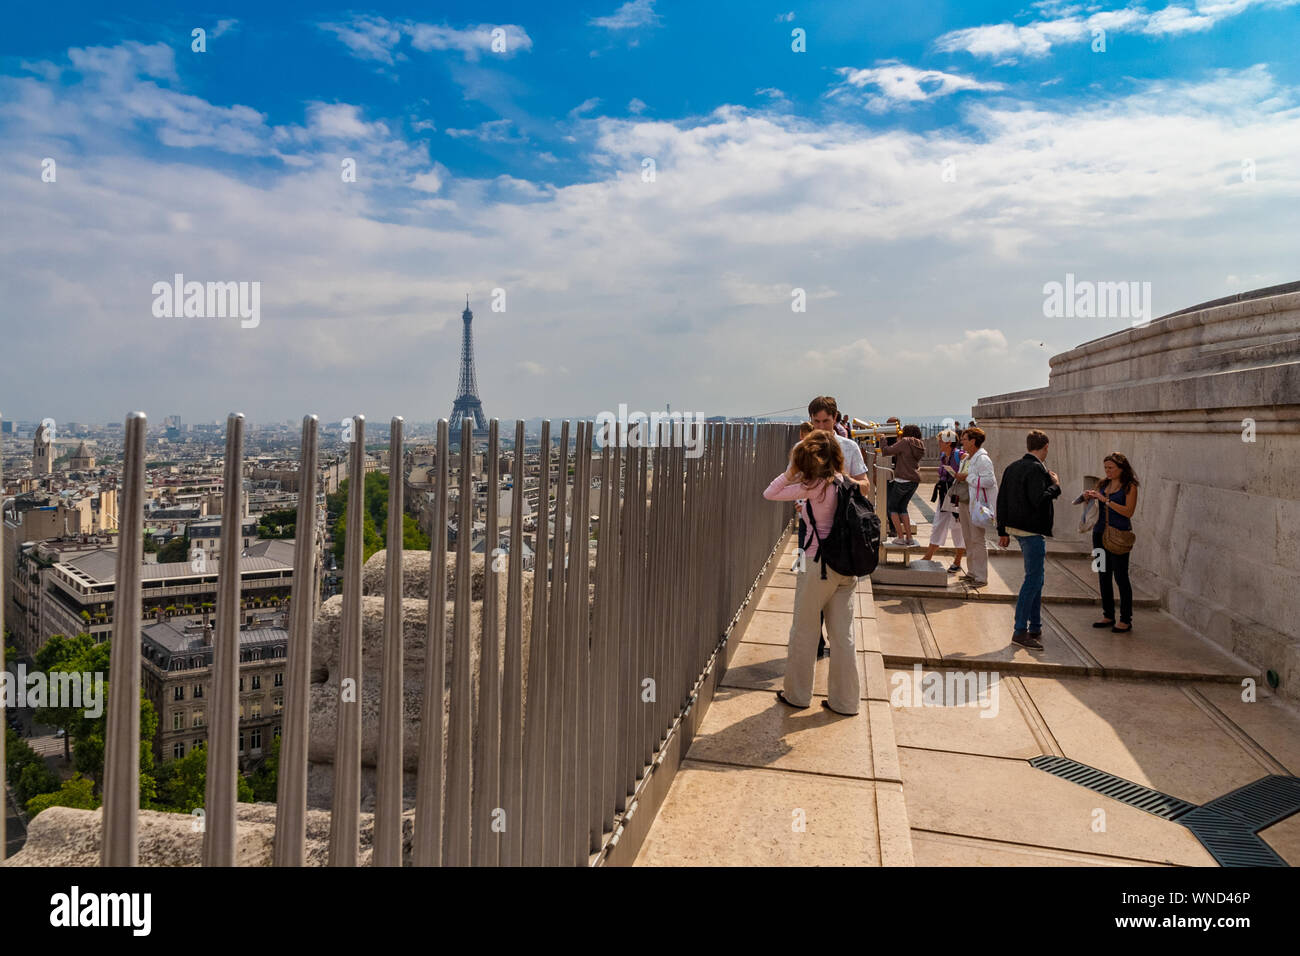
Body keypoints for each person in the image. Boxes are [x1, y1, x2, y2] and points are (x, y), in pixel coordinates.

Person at [763, 430, 860, 716]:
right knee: (843, 635)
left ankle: (797, 695)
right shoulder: (846, 482)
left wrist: (792, 471)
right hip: (847, 567)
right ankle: (846, 702)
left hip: (816, 563)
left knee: (804, 630)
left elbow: (770, 493)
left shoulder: (813, 486)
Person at [804, 397, 871, 658]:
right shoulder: (803, 448)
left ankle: (838, 644)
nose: (821, 426)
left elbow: (865, 486)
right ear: (810, 420)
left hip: (844, 529)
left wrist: (845, 480)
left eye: (826, 421)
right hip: (811, 530)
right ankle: (817, 644)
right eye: (816, 421)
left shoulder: (849, 447)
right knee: (811, 589)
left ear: (835, 419)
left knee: (838, 593)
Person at [996, 430, 1062, 649]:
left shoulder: (1012, 467)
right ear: (1045, 448)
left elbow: (1002, 499)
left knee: (1037, 579)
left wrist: (1002, 531)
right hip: (1031, 530)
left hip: (1015, 528)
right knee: (1033, 580)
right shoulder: (1036, 469)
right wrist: (1055, 485)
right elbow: (1039, 500)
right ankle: (1020, 631)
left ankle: (1035, 625)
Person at [1084, 453, 1140, 632]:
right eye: (1105, 468)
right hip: (1099, 535)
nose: (1107, 471)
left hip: (1118, 537)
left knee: (1121, 576)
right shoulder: (1102, 484)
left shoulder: (1130, 487)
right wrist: (1089, 497)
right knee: (1102, 573)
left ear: (1121, 468)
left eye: (1111, 468)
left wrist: (1106, 501)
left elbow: (1128, 512)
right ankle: (1108, 614)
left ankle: (1125, 619)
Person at [950, 427, 996, 587]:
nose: (961, 441)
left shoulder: (983, 459)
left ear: (973, 441)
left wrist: (967, 477)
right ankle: (972, 572)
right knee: (968, 538)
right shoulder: (968, 458)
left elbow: (989, 481)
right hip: (965, 502)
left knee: (977, 539)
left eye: (964, 439)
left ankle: (981, 576)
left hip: (976, 504)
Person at [922, 430, 964, 572]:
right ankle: (929, 555)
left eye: (940, 441)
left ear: (948, 442)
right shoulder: (943, 456)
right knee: (939, 523)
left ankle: (957, 561)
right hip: (945, 494)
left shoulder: (959, 455)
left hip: (956, 496)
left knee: (957, 527)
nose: (938, 443)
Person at [880, 424, 925, 546]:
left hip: (902, 480)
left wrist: (883, 439)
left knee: (892, 508)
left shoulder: (905, 442)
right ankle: (909, 537)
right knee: (903, 508)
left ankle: (900, 537)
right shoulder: (919, 444)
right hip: (914, 480)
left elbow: (886, 451)